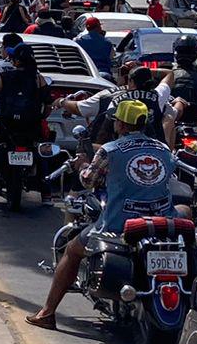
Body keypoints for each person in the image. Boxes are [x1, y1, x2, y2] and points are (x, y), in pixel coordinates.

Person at [28, 98, 176, 331]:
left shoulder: (110, 150)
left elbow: (88, 181)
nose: (115, 123)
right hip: (161, 220)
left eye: (117, 120)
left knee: (72, 250)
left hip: (118, 223)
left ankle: (47, 313)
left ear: (123, 125)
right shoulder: (163, 149)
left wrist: (82, 166)